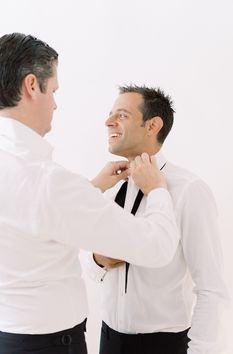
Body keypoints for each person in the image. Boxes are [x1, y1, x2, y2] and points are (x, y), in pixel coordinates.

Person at [0, 34, 180, 354]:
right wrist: (156, 191)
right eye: (53, 90)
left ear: (153, 125)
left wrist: (91, 187)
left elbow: (32, 214)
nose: (55, 103)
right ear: (31, 85)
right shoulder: (47, 180)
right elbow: (156, 247)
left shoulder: (30, 175)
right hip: (48, 346)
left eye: (121, 115)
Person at [82, 85, 228, 354]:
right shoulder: (110, 185)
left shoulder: (188, 190)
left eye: (122, 115)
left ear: (153, 125)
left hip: (163, 345)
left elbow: (211, 287)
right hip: (108, 340)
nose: (108, 121)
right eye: (110, 114)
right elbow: (90, 268)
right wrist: (97, 260)